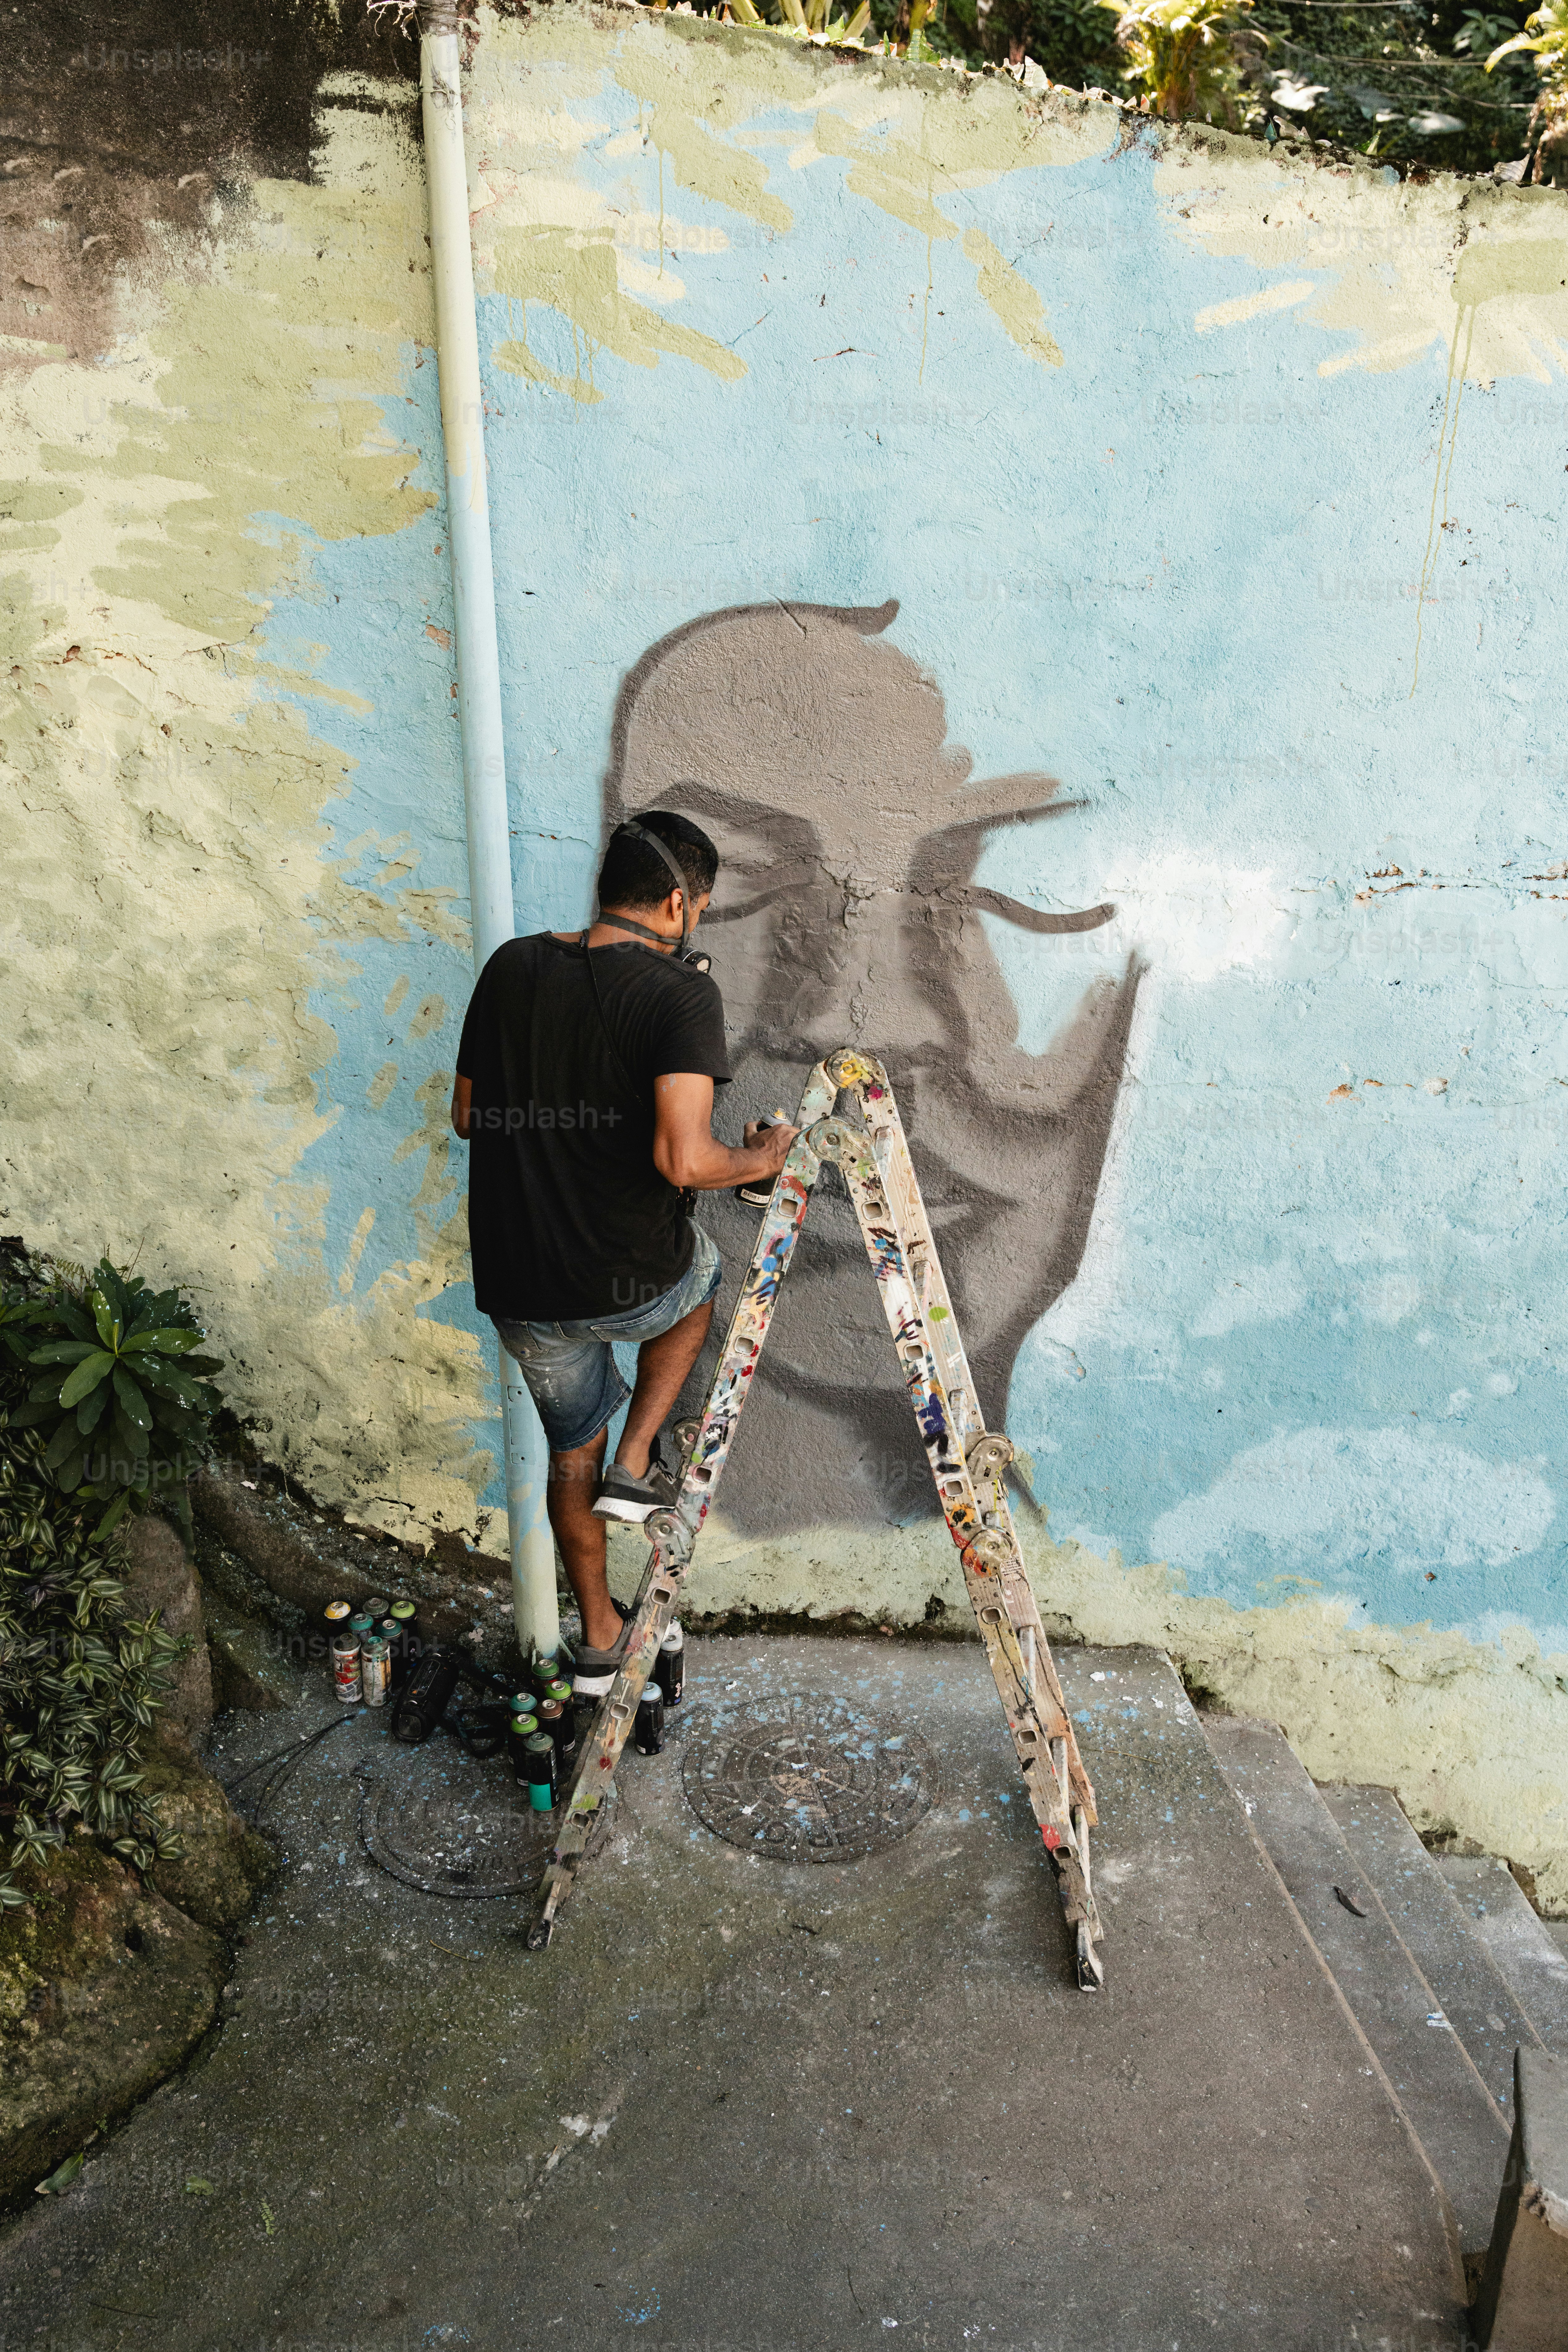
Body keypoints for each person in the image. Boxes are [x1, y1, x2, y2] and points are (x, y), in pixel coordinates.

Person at [450, 811, 797, 1700]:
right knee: (702, 1279)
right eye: (701, 908)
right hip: (630, 1282)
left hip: (521, 1289)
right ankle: (638, 1462)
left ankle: (600, 1639)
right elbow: (684, 1160)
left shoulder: (511, 966)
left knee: (572, 1451)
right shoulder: (680, 995)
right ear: (679, 903)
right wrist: (762, 1158)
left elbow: (467, 1115)